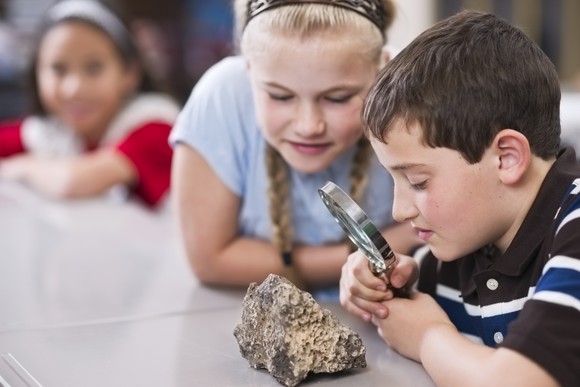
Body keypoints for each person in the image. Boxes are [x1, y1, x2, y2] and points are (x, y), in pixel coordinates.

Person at [339, 10, 580, 387]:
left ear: (507, 158)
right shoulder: (462, 244)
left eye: (418, 182)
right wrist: (377, 286)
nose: (398, 211)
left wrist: (427, 337)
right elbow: (403, 303)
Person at [170, 0, 422, 293]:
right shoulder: (220, 97)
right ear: (248, 69)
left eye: (337, 98)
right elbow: (209, 261)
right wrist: (376, 251)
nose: (308, 126)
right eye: (279, 96)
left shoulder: (413, 104)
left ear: (382, 71)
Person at [0, 0, 180, 208]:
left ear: (130, 72)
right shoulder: (47, 133)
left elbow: (71, 183)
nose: (74, 88)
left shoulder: (156, 126)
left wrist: (21, 167)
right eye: (58, 69)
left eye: (93, 68)